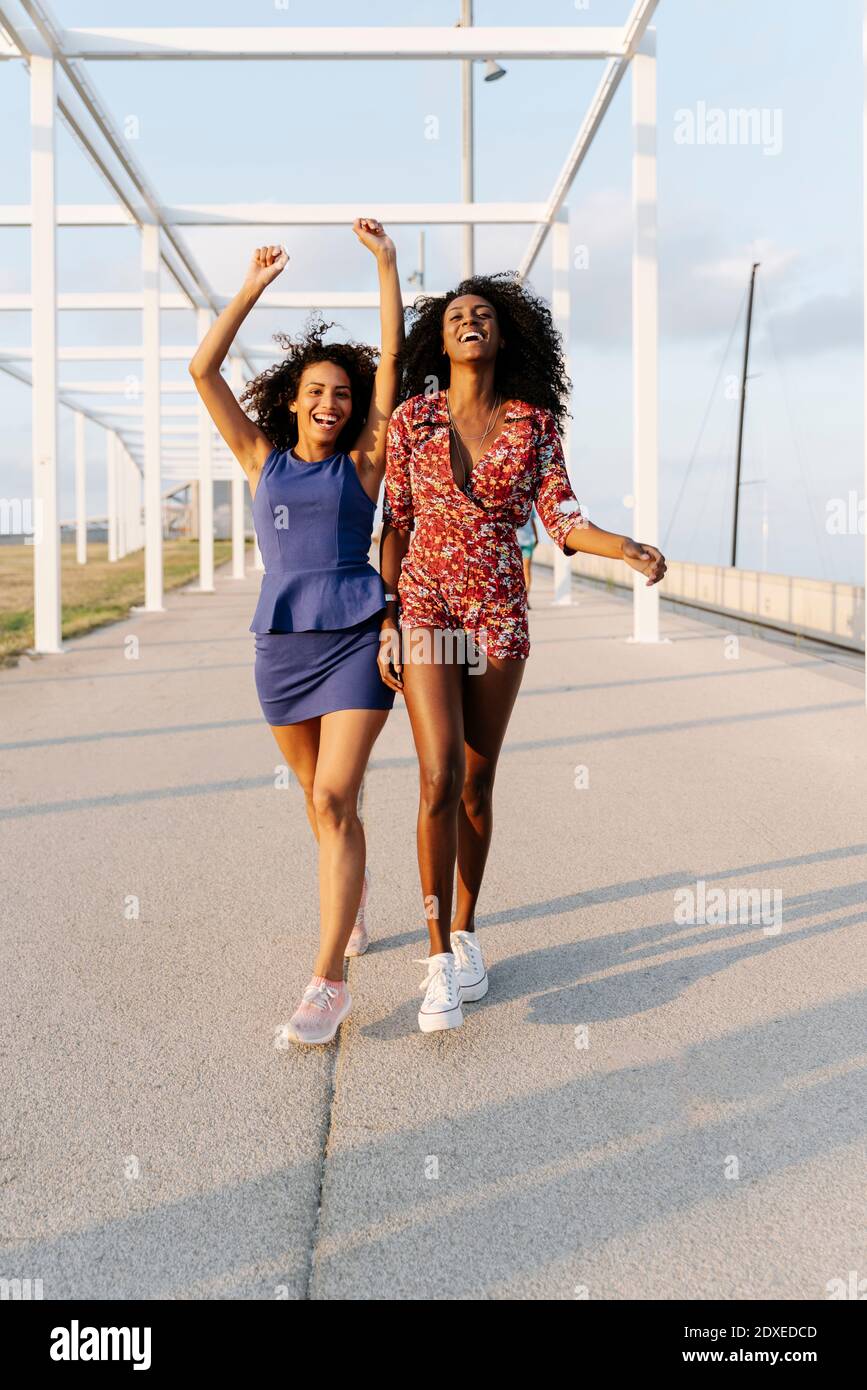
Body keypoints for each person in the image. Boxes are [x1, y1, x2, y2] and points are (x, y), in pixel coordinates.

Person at [377, 273, 666, 1034]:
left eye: (482, 316)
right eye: (454, 317)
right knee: (436, 773)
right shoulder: (412, 420)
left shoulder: (533, 424)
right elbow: (396, 523)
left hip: (498, 611)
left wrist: (625, 547)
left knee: (475, 780)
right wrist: (385, 617)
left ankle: (468, 935)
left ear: (502, 337)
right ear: (439, 341)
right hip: (425, 606)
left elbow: (563, 519)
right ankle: (438, 960)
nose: (468, 322)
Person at [189, 219, 404, 1045]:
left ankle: (328, 982)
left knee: (332, 797)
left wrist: (384, 263)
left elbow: (390, 361)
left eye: (340, 394)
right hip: (280, 650)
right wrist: (249, 287)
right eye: (316, 392)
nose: (330, 402)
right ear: (290, 401)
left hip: (354, 637)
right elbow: (202, 369)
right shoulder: (259, 461)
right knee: (320, 814)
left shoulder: (365, 462)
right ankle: (349, 895)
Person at [516, 510, 539, 605]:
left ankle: (524, 597)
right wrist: (537, 538)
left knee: (523, 571)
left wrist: (536, 538)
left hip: (522, 541)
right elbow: (532, 522)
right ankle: (523, 598)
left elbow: (532, 521)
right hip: (520, 540)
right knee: (523, 571)